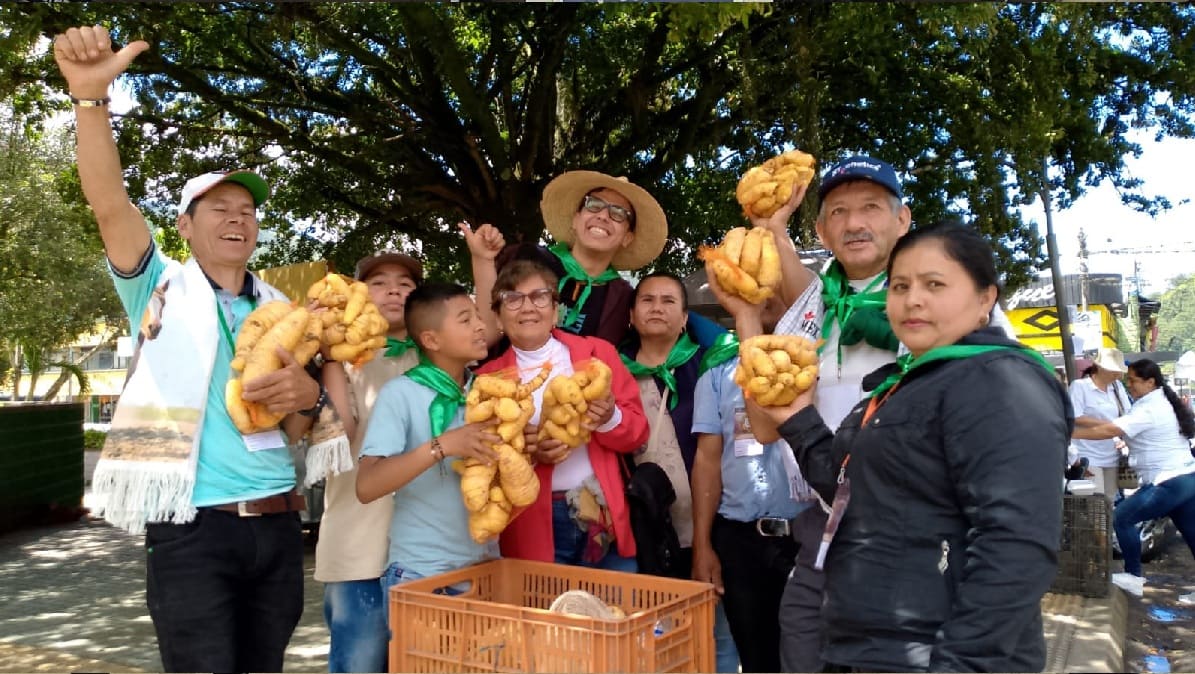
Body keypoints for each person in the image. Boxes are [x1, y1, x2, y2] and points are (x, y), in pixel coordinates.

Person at [55, 26, 322, 672]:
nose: (237, 219)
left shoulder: (284, 312)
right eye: (218, 208)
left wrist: (307, 395)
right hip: (192, 528)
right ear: (184, 225)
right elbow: (108, 204)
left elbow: (308, 426)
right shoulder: (160, 287)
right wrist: (91, 101)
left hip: (279, 526)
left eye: (248, 212)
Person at [757, 222, 1071, 672]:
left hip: (934, 655)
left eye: (934, 284)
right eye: (900, 285)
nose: (913, 299)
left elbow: (1015, 545)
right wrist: (798, 421)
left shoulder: (999, 380)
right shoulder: (905, 384)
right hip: (867, 648)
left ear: (986, 299)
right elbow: (847, 489)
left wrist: (963, 663)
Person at [288, 251, 422, 673]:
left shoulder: (444, 354)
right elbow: (339, 433)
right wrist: (327, 355)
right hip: (358, 545)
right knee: (359, 664)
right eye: (379, 283)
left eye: (405, 283)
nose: (394, 289)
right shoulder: (340, 361)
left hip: (430, 550)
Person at [475, 260, 649, 569]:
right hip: (534, 523)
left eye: (540, 296)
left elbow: (638, 433)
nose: (527, 306)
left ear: (555, 311)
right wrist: (528, 454)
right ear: (498, 318)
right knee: (548, 612)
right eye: (512, 299)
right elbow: (480, 467)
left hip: (601, 507)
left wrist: (609, 417)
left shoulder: (598, 355)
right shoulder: (489, 380)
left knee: (615, 610)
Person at [618, 272, 740, 673]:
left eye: (669, 301)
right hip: (643, 531)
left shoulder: (710, 365)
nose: (657, 307)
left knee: (720, 634)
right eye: (647, 300)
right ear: (631, 316)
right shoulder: (610, 371)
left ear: (686, 318)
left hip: (708, 521)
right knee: (658, 640)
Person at [465, 170, 728, 349]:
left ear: (627, 236)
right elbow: (486, 331)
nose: (603, 216)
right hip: (504, 396)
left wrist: (729, 339)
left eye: (618, 214)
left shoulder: (622, 296)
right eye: (593, 205)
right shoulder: (527, 257)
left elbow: (674, 323)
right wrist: (481, 259)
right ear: (576, 218)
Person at [690, 292, 810, 674]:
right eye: (755, 290)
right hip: (742, 541)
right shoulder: (718, 375)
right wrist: (703, 545)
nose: (767, 299)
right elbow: (707, 462)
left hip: (811, 538)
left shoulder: (821, 363)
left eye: (777, 290)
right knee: (757, 660)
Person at [355, 283, 500, 597]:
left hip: (484, 571)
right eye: (466, 319)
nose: (480, 325)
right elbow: (367, 486)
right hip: (421, 574)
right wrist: (442, 446)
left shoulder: (489, 393)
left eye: (477, 315)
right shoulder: (400, 394)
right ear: (431, 339)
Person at [1073, 359, 1195, 597]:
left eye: (1133, 381)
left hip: (1168, 480)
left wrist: (1067, 431)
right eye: (1127, 380)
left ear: (1150, 382)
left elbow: (1109, 431)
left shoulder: (1150, 407)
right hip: (1186, 477)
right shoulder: (1157, 401)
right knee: (1191, 532)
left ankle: (1133, 576)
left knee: (1123, 517)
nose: (1128, 385)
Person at [1070, 348, 1131, 502]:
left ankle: (1108, 527)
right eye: (1114, 370)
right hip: (1088, 454)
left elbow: (1127, 413)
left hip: (1112, 453)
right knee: (1095, 502)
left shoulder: (1117, 387)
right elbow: (1075, 417)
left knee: (1110, 500)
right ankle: (1099, 527)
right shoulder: (1080, 386)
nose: (1117, 374)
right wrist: (1110, 425)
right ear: (1101, 368)